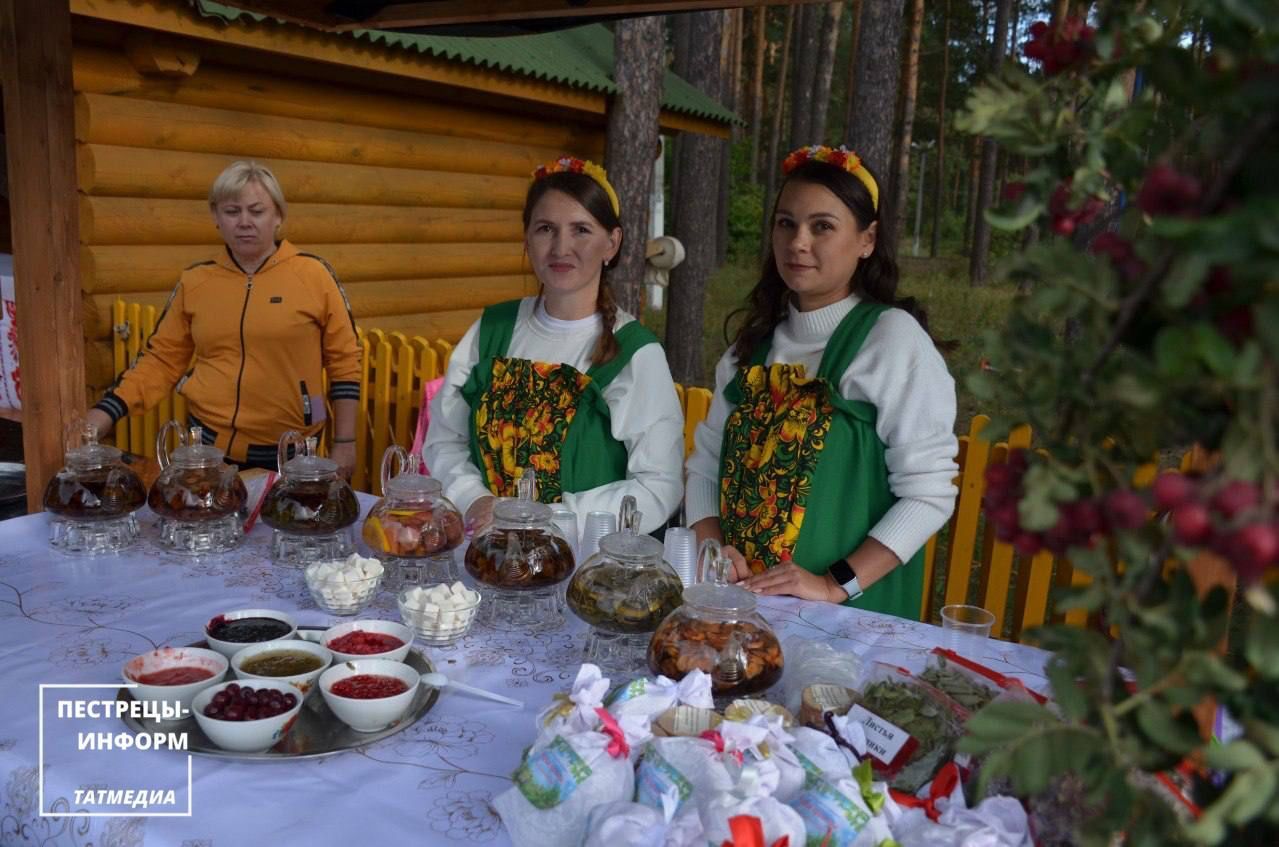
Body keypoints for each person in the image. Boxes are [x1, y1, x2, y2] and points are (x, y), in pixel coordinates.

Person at [686, 145, 959, 619]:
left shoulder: (890, 340)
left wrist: (835, 584)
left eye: (823, 226)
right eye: (786, 223)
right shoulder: (750, 349)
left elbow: (928, 493)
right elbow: (706, 468)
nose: (798, 242)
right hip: (741, 611)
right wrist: (713, 555)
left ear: (867, 239)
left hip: (849, 620)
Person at [424, 157, 683, 535]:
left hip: (581, 569)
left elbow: (659, 486)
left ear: (612, 243)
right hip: (486, 553)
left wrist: (546, 518)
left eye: (581, 229)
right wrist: (473, 497)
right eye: (546, 228)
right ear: (527, 238)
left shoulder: (633, 352)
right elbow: (445, 438)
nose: (562, 247)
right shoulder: (493, 329)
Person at [86, 161, 361, 475]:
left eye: (256, 211)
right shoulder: (197, 281)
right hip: (207, 449)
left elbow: (345, 361)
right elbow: (161, 358)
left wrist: (345, 441)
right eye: (232, 212)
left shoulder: (313, 275)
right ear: (216, 217)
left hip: (289, 453)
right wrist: (105, 411)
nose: (244, 222)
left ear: (278, 217)